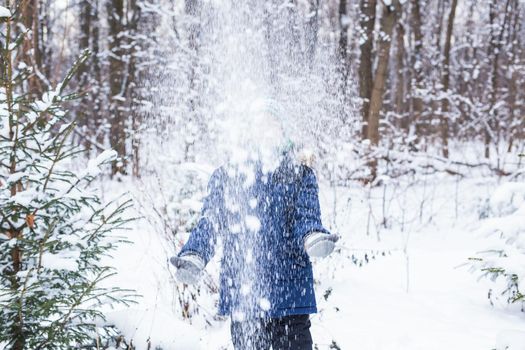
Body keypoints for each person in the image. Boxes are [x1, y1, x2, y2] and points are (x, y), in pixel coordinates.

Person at [170, 102, 338, 350]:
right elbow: (211, 222)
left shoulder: (300, 175)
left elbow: (307, 218)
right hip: (244, 296)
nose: (266, 131)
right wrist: (195, 254)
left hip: (290, 294)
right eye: (258, 125)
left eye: (272, 125)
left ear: (285, 132)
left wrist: (314, 237)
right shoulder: (227, 176)